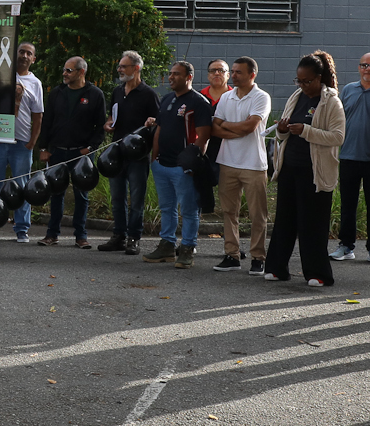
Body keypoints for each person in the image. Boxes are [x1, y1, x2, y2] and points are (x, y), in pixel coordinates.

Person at [265, 52, 346, 287]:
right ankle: (277, 268)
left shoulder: (331, 101)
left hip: (315, 172)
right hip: (290, 167)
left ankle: (317, 273)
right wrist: (282, 129)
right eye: (298, 81)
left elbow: (338, 136)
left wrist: (307, 130)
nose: (302, 85)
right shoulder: (296, 96)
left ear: (319, 78)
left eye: (307, 81)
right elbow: (283, 134)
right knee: (285, 220)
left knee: (312, 223)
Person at [145, 61, 214, 268]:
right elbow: (158, 130)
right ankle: (167, 245)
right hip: (162, 165)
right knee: (167, 208)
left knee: (189, 209)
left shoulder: (199, 102)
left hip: (182, 167)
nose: (171, 77)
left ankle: (187, 248)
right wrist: (154, 160)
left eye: (177, 74)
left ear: (189, 77)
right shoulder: (166, 99)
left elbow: (204, 137)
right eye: (170, 73)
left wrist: (191, 163)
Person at [36, 56, 106, 249]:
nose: (64, 74)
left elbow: (100, 127)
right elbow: (47, 122)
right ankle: (52, 234)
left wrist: (89, 148)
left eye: (69, 70)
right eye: (64, 70)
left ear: (81, 72)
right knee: (56, 193)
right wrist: (44, 148)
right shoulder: (57, 93)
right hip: (57, 152)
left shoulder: (95, 94)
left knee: (81, 194)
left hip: (82, 154)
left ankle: (81, 236)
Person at [211, 56, 272, 273]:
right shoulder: (227, 97)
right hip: (227, 162)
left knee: (258, 214)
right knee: (229, 211)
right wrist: (236, 128)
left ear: (252, 75)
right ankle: (232, 255)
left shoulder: (261, 97)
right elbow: (214, 129)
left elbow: (251, 126)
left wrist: (227, 128)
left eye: (238, 72)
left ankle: (258, 257)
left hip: (254, 164)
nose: (233, 75)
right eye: (233, 71)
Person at [0, 41, 45, 243]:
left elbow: (38, 116)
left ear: (33, 59)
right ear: (14, 54)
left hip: (22, 144)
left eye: (29, 53)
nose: (25, 56)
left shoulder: (35, 83)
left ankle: (22, 229)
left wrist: (32, 143)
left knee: (22, 187)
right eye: (21, 52)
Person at [102, 50, 160, 255]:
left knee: (136, 200)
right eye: (119, 66)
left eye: (123, 66)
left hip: (138, 156)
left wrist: (152, 124)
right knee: (117, 198)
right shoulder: (117, 92)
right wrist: (108, 123)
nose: (119, 69)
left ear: (136, 68)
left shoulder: (149, 94)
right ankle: (118, 236)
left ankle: (134, 237)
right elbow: (112, 116)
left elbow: (157, 124)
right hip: (116, 154)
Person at [332, 53, 370, 266]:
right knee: (348, 205)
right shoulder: (348, 90)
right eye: (364, 65)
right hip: (348, 156)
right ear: (359, 68)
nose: (368, 69)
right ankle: (346, 246)